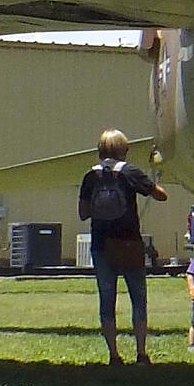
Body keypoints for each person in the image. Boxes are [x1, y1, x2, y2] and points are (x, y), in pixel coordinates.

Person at [79, 128, 168, 366]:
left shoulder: (90, 177)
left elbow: (83, 213)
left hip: (100, 244)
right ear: (123, 150)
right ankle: (141, 353)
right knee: (138, 299)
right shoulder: (130, 172)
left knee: (106, 300)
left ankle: (114, 356)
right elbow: (161, 195)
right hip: (129, 243)